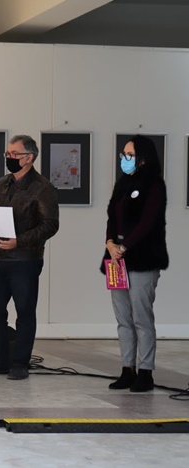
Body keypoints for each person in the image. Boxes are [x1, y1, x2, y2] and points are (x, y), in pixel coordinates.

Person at [0, 135, 59, 380]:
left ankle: (20, 363)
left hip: (25, 260)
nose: (9, 158)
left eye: (14, 154)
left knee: (25, 312)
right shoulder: (2, 183)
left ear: (29, 157)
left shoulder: (43, 188)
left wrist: (19, 241)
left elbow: (50, 225)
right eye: (7, 154)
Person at [102, 135, 167, 392]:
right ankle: (127, 368)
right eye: (124, 155)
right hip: (116, 258)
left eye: (129, 155)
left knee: (141, 317)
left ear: (142, 158)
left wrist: (125, 247)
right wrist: (110, 243)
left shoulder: (155, 185)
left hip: (142, 258)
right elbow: (111, 216)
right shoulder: (123, 183)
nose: (125, 159)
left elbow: (147, 222)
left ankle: (146, 371)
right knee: (123, 318)